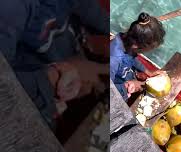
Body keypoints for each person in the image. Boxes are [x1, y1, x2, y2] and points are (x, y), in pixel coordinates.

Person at [0, 0, 108, 131]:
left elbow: (88, 8)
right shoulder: (11, 7)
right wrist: (51, 78)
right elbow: (5, 90)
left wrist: (116, 34)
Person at [110, 12, 166, 101]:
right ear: (135, 45)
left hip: (126, 77)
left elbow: (132, 58)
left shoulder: (127, 40)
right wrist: (128, 86)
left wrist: (148, 72)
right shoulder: (113, 60)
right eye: (145, 49)